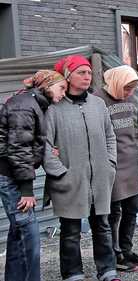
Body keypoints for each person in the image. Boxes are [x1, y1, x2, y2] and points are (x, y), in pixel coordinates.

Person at [45, 55, 119, 281]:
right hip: (69, 181)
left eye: (89, 73)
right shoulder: (53, 108)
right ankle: (73, 274)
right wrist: (60, 173)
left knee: (103, 226)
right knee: (70, 232)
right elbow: (45, 145)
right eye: (81, 72)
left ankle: (107, 270)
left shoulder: (98, 104)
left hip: (99, 179)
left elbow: (110, 136)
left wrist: (110, 164)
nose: (87, 77)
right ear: (68, 76)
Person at [0, 70, 66, 281]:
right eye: (61, 88)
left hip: (11, 174)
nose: (64, 93)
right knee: (29, 234)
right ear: (47, 85)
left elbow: (28, 140)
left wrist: (45, 150)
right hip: (12, 178)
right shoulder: (25, 105)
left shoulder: (32, 103)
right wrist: (27, 190)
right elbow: (19, 148)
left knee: (18, 233)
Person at [93, 65, 138, 272]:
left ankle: (127, 249)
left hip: (130, 163)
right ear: (116, 82)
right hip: (113, 167)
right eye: (127, 88)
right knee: (114, 213)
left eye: (132, 89)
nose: (130, 93)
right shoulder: (98, 100)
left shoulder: (126, 100)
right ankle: (115, 254)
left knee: (131, 210)